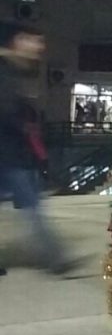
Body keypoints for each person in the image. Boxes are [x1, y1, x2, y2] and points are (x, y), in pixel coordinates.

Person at [0, 22, 83, 276]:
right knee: (33, 207)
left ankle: (55, 258)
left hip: (13, 154)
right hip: (9, 154)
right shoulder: (6, 70)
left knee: (33, 206)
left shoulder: (17, 69)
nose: (39, 46)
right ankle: (55, 259)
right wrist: (22, 122)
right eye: (33, 40)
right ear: (17, 40)